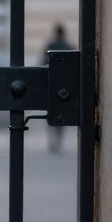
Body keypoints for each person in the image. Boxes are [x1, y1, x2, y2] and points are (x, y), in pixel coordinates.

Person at [41, 24, 75, 153]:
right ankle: (58, 141)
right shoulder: (68, 47)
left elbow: (43, 62)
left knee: (51, 113)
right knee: (62, 114)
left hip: (51, 84)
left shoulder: (51, 46)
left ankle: (52, 142)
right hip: (65, 86)